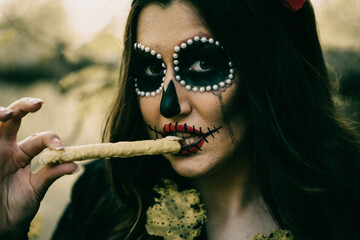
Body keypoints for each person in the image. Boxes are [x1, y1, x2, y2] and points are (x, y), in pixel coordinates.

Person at [1, 0, 359, 239]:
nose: (169, 106)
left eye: (203, 65)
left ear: (269, 71)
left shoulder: (345, 208)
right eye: (149, 70)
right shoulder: (103, 196)